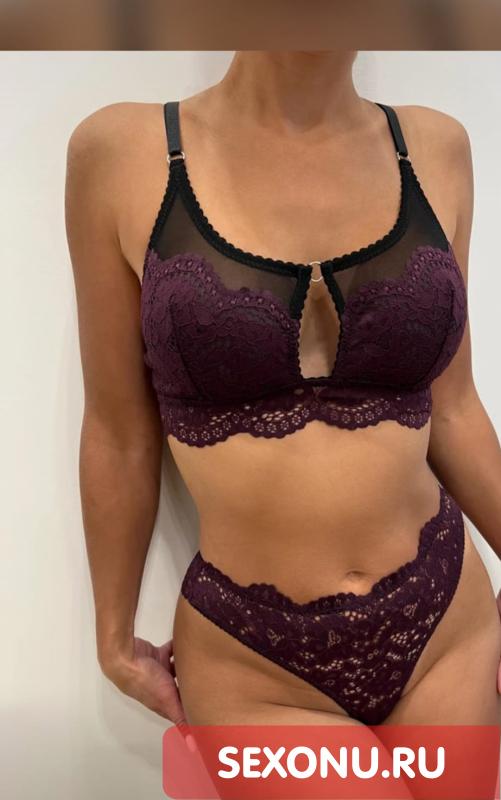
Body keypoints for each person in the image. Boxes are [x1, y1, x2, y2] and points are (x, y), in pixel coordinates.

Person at [65, 51, 501, 733]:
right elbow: (119, 433)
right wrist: (113, 639)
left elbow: (453, 407)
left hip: (447, 624)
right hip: (254, 661)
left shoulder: (435, 147)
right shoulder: (121, 152)